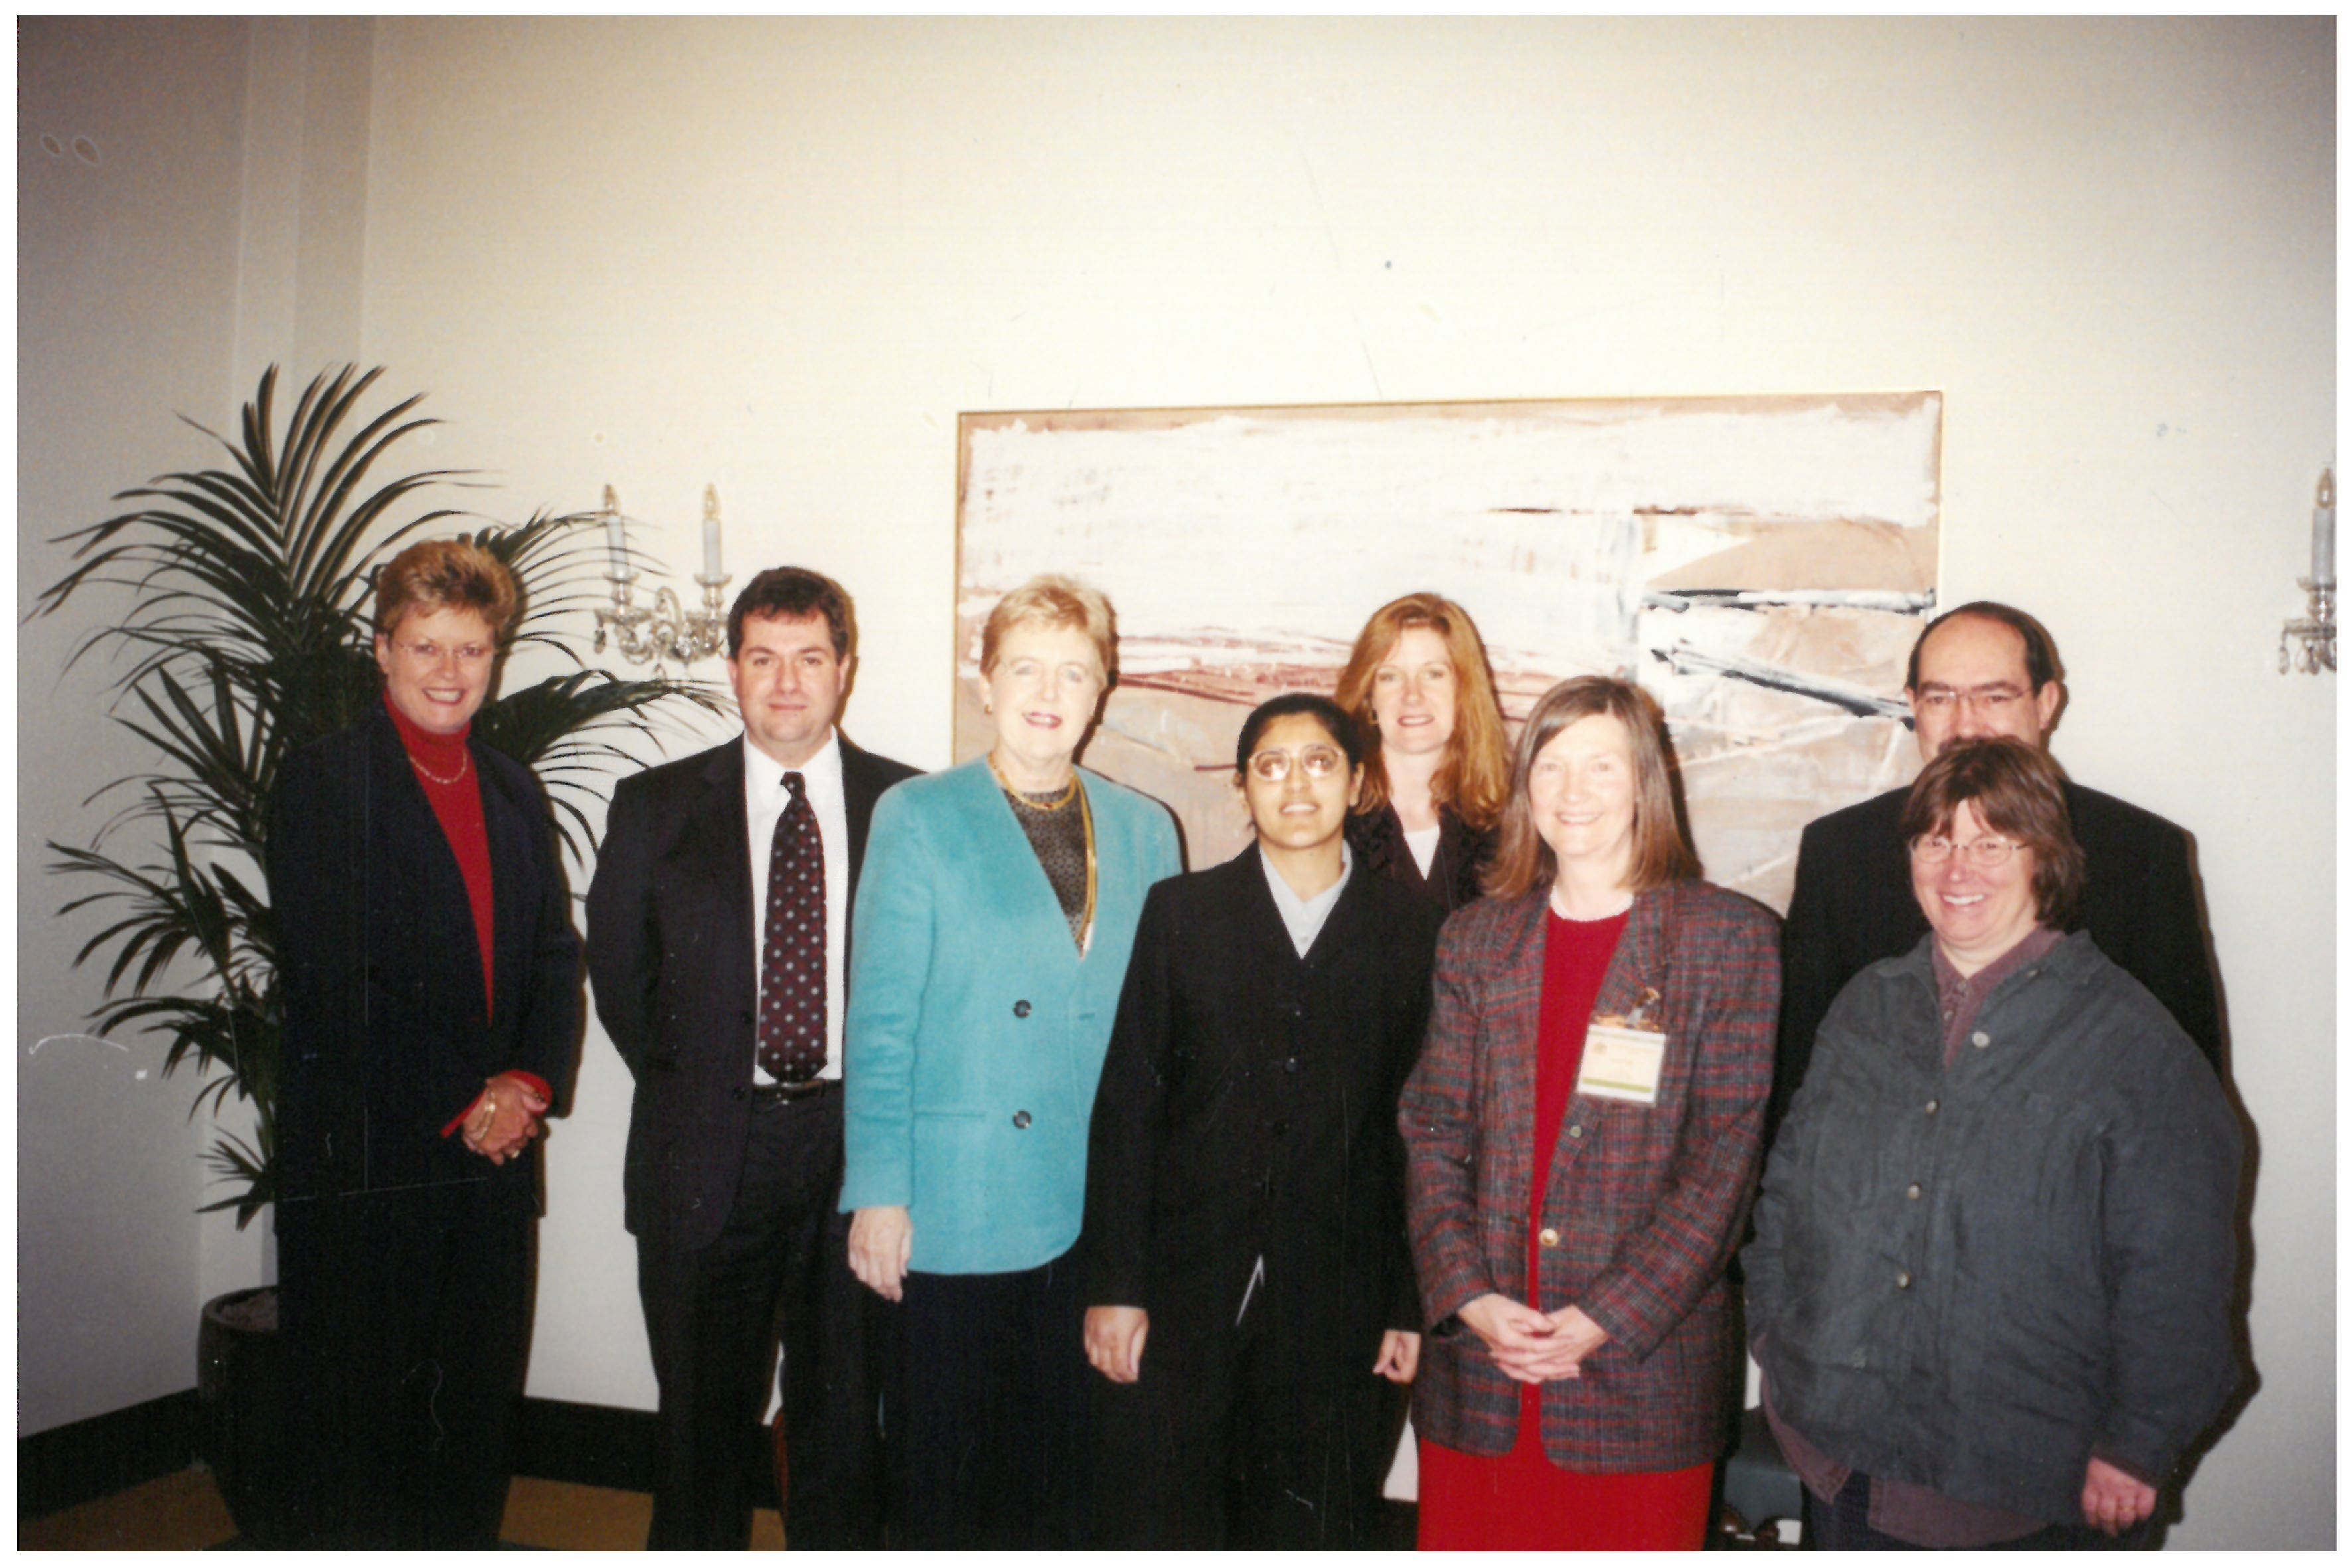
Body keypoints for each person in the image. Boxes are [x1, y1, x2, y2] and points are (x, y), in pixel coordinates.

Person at [1745, 736, 2241, 1549]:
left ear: (2045, 858)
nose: (1956, 868)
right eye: (1936, 840)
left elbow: (2179, 1271)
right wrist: (1776, 1334)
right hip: (1839, 1458)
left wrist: (2139, 1444)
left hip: (2024, 1485)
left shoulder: (2132, 1044)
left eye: (1989, 842)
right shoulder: (1866, 1006)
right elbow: (1789, 1189)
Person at [1398, 675, 1778, 1551]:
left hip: (1637, 1379)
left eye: (1600, 767)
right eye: (1552, 765)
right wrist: (1468, 1296)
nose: (1573, 792)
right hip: (1481, 1373)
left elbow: (1724, 1159)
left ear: (1645, 781)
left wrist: (1604, 1315)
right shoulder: (1474, 939)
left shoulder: (1725, 940)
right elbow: (1430, 1128)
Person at [840, 574, 1181, 1549]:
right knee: (941, 1475)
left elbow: (1163, 1038)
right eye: (1024, 666)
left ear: (1101, 691)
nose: (1048, 690)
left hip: (1095, 1209)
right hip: (953, 1203)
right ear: (984, 681)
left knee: (1068, 1479)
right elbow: (881, 1021)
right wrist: (878, 1189)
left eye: (1074, 671)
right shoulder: (917, 814)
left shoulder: (1145, 828)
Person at [584, 567, 916, 1549]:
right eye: (762, 658)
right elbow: (620, 979)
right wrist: (713, 1090)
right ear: (731, 669)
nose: (785, 683)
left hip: (860, 1156)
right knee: (698, 1429)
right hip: (704, 1151)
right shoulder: (651, 805)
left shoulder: (909, 805)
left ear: (843, 671)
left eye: (808, 658)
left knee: (846, 1424)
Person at [270, 539, 582, 1548]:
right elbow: (333, 980)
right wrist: (470, 1099)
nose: (450, 672)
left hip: (491, 1164)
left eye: (473, 649)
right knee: (360, 1435)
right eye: (426, 646)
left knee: (473, 1421)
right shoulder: (323, 781)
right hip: (371, 1160)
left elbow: (551, 955)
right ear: (381, 650)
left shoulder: (510, 787)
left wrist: (527, 1083)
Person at [1081, 692, 1443, 1549]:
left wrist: (1406, 1303)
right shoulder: (1182, 915)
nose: (1295, 785)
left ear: (1359, 782)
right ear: (1243, 787)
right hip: (1185, 1294)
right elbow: (1129, 1106)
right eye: (1270, 766)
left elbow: (1421, 1133)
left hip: (1342, 1305)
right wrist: (1116, 1285)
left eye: (1320, 762)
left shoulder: (1417, 932)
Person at [1773, 601, 2221, 1138]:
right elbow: (1799, 1084)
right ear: (1912, 705)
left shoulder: (2139, 854)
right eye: (1940, 698)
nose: (1966, 724)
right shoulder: (1840, 851)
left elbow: (2188, 1103)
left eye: (1994, 697)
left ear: (2045, 704)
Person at [1333, 591, 1510, 913]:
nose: (1412, 696)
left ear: (1463, 691)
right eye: (1390, 677)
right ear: (1368, 697)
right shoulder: (1331, 821)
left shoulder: (1511, 825)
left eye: (1433, 674)